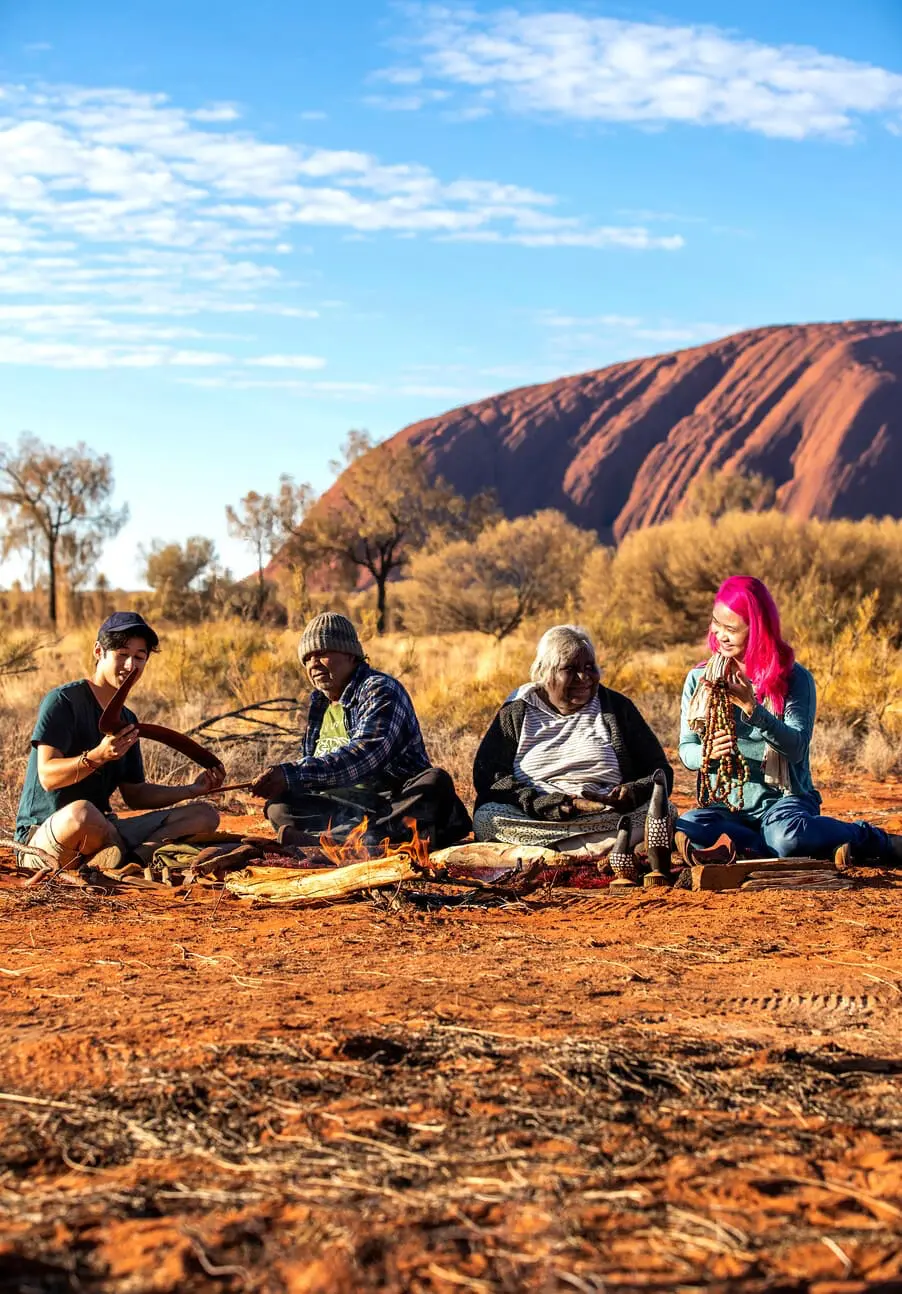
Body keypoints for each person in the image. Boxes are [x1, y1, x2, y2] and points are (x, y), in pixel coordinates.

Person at [675, 575, 902, 867]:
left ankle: (867, 839)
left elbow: (795, 749)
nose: (720, 635)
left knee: (787, 836)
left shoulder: (794, 679)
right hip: (727, 807)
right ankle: (783, 849)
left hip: (784, 802)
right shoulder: (700, 679)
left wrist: (752, 709)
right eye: (716, 624)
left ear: (757, 629)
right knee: (687, 827)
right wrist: (705, 753)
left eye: (731, 628)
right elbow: (686, 749)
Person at [15, 611, 223, 878]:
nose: (130, 665)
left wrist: (192, 789)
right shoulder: (63, 701)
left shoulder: (127, 718)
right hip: (46, 836)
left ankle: (130, 860)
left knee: (205, 815)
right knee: (82, 813)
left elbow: (135, 795)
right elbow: (48, 777)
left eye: (139, 657)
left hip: (103, 830)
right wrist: (98, 756)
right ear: (99, 651)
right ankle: (122, 854)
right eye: (122, 654)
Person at [250, 612, 471, 849]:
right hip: (345, 808)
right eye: (308, 657)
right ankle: (349, 843)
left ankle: (338, 844)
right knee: (279, 805)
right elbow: (312, 768)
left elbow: (367, 754)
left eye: (322, 653)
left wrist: (294, 773)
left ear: (350, 654)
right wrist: (285, 781)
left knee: (434, 783)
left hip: (390, 801)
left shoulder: (380, 690)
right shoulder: (317, 703)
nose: (313, 663)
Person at [472, 625, 673, 865]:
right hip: (537, 820)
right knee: (486, 819)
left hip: (605, 817)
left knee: (665, 811)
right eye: (571, 669)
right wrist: (551, 804)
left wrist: (630, 793)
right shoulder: (517, 710)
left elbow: (659, 772)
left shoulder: (616, 707)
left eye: (590, 668)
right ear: (545, 673)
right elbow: (490, 778)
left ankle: (544, 857)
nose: (584, 678)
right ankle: (610, 850)